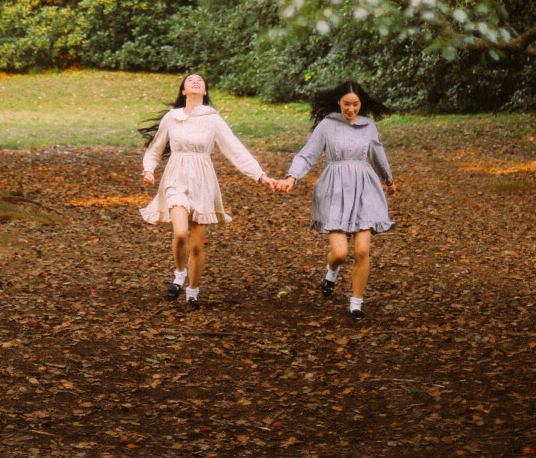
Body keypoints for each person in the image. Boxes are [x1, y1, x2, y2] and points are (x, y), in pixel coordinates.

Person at [141, 71, 274, 310]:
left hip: (203, 180)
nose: (195, 81)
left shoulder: (213, 119)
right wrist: (149, 169)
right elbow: (155, 148)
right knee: (180, 233)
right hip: (175, 176)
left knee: (196, 245)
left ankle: (193, 290)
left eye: (200, 80)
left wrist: (259, 175)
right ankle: (179, 273)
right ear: (183, 91)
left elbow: (235, 148)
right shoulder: (172, 117)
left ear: (204, 91)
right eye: (190, 80)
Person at [273, 79, 395, 323]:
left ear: (362, 104)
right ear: (338, 102)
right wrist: (291, 177)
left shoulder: (368, 125)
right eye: (346, 104)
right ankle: (331, 273)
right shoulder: (327, 125)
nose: (351, 109)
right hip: (334, 189)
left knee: (362, 250)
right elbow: (307, 154)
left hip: (364, 189)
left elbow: (377, 153)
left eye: (356, 105)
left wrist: (388, 180)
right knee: (340, 253)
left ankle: (356, 304)